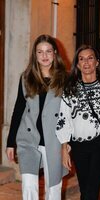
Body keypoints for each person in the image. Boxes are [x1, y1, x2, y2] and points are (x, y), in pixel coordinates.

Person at [55, 44, 100, 199]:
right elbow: (64, 118)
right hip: (79, 146)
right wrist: (64, 147)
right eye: (81, 59)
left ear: (97, 62)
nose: (86, 62)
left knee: (91, 191)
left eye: (90, 58)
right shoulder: (70, 89)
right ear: (77, 64)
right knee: (85, 189)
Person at [6, 34, 69, 200]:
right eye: (40, 52)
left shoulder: (65, 79)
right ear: (35, 54)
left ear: (55, 53)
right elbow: (18, 109)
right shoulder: (26, 78)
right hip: (28, 137)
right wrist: (10, 142)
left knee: (53, 187)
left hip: (54, 139)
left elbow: (69, 113)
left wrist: (66, 145)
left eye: (48, 51)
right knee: (28, 185)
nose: (45, 56)